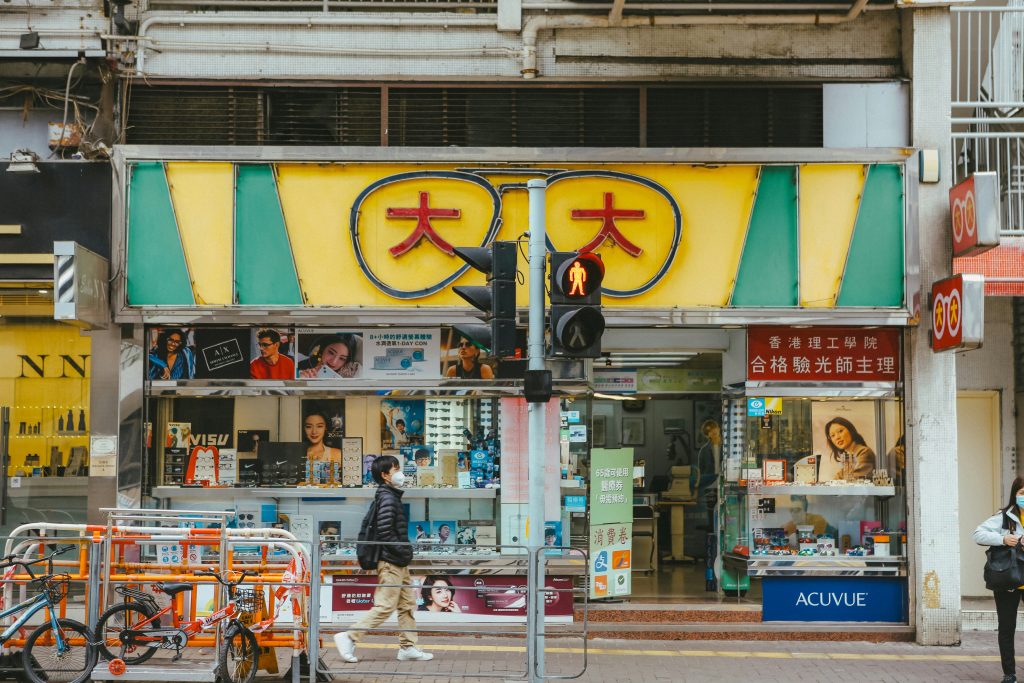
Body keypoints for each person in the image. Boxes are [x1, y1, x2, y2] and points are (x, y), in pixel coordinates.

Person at [335, 456, 433, 664]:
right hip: (391, 561)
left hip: (398, 561)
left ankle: (408, 647)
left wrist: (403, 555)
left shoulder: (390, 496)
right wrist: (403, 552)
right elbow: (386, 532)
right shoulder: (388, 498)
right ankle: (349, 636)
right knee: (385, 606)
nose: (400, 473)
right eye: (395, 469)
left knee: (407, 604)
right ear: (385, 475)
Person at [975, 476, 1024, 683]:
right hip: (1009, 579)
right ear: (1015, 494)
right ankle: (1009, 674)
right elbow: (978, 534)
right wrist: (1003, 539)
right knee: (1006, 627)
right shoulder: (1004, 517)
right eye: (1022, 493)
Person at [823, 417, 876, 481]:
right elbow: (837, 479)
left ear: (850, 430)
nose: (837, 437)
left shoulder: (863, 452)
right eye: (833, 435)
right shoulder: (847, 456)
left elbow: (855, 482)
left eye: (840, 431)